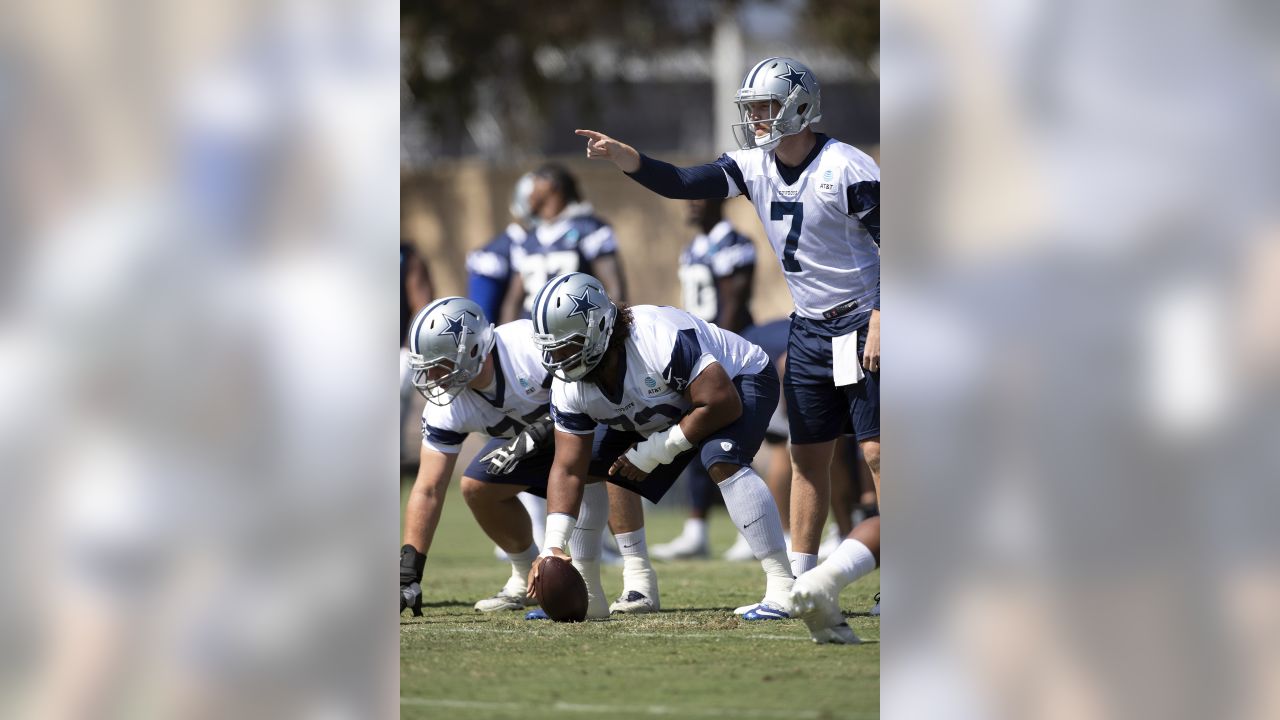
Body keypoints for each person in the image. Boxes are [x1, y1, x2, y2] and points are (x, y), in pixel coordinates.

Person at [575, 56, 881, 641]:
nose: (757, 120)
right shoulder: (754, 165)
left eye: (765, 107)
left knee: (875, 455)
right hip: (811, 328)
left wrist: (884, 315)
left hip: (862, 321)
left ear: (798, 105)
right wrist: (626, 159)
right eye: (754, 110)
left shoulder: (846, 166)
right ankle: (798, 582)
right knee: (806, 457)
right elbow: (682, 182)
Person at [525, 273, 795, 620]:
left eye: (568, 346)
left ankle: (783, 585)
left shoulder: (658, 338)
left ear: (600, 328)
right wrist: (552, 547)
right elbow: (567, 468)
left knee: (720, 457)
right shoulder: (570, 386)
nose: (559, 358)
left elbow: (721, 402)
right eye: (552, 348)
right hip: (665, 405)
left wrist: (656, 451)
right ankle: (598, 594)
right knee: (593, 465)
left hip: (739, 380)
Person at [398, 297, 652, 620]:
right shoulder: (446, 405)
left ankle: (638, 577)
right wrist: (410, 570)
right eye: (427, 367)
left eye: (439, 364)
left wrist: (537, 433)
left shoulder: (526, 348)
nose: (433, 376)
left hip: (587, 428)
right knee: (477, 486)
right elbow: (428, 488)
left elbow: (591, 392)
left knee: (608, 454)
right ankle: (527, 577)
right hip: (533, 447)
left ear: (473, 350)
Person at [652, 198, 792, 562]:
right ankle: (696, 529)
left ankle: (756, 530)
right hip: (697, 351)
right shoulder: (693, 249)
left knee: (735, 442)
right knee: (695, 435)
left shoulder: (734, 244)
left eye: (701, 198)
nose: (693, 206)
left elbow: (734, 302)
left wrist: (712, 351)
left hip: (730, 352)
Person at [466, 172, 551, 558]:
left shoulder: (556, 238)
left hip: (550, 357)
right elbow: (480, 316)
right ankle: (530, 535)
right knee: (516, 445)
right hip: (509, 360)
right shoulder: (498, 251)